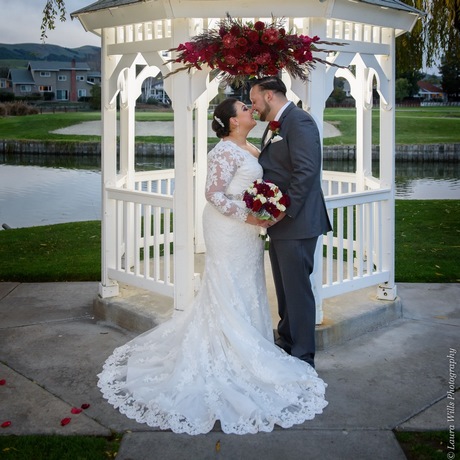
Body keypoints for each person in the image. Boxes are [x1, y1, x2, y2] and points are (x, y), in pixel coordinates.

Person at [97, 98, 327, 435]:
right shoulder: (221, 152)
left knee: (247, 283)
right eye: (245, 109)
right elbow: (213, 194)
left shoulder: (251, 145)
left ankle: (252, 341)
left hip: (248, 232)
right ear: (233, 121)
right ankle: (226, 349)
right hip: (228, 227)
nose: (252, 110)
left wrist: (264, 208)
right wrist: (250, 215)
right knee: (226, 282)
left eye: (251, 105)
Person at [249, 77, 333, 369]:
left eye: (255, 100)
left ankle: (303, 356)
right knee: (285, 288)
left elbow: (306, 172)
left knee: (297, 290)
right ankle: (286, 340)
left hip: (297, 221)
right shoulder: (276, 126)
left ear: (269, 95)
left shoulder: (299, 122)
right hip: (280, 222)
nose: (253, 106)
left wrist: (283, 210)